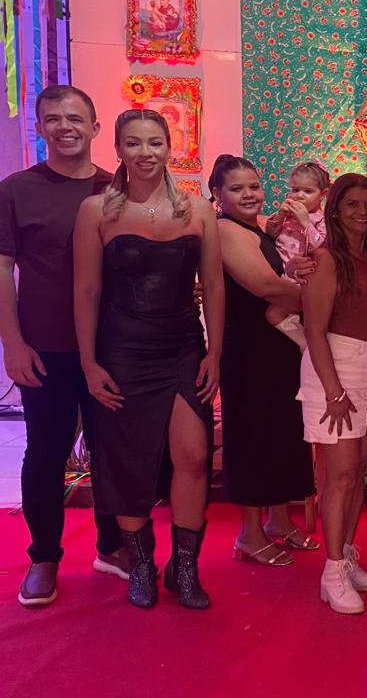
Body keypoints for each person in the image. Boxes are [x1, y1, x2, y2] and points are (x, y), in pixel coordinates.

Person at [71, 109, 224, 609]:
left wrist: (215, 353)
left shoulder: (198, 210)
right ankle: (140, 565)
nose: (145, 152)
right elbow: (87, 291)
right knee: (128, 461)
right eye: (133, 143)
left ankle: (185, 568)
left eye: (155, 142)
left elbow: (214, 286)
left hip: (183, 348)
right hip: (122, 352)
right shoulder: (96, 210)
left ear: (169, 148)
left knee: (194, 456)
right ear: (117, 149)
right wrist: (90, 363)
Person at [2, 86, 127, 606]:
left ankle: (112, 546)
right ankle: (44, 557)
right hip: (46, 346)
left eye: (75, 118)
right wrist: (12, 343)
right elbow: (2, 270)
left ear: (95, 128)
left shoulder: (117, 189)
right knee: (46, 452)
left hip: (112, 347)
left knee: (111, 450)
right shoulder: (17, 190)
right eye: (53, 118)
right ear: (40, 128)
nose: (64, 126)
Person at [300, 173, 367, 615]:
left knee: (359, 470)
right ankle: (332, 570)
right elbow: (314, 330)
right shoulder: (325, 260)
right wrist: (334, 391)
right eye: (352, 205)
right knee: (339, 475)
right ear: (336, 210)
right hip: (337, 370)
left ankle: (345, 553)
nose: (362, 212)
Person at [214, 155, 318, 567]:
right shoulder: (225, 229)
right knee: (253, 438)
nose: (249, 195)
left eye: (254, 186)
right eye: (237, 188)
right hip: (247, 353)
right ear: (218, 194)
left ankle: (280, 520)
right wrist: (323, 300)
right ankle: (249, 534)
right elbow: (265, 286)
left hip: (277, 349)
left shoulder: (261, 228)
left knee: (284, 435)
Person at [264, 161, 331, 347]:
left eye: (308, 191)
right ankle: (306, 343)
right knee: (271, 312)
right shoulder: (287, 217)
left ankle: (309, 345)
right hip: (284, 278)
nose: (299, 196)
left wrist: (305, 223)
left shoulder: (322, 220)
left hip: (304, 281)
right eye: (295, 189)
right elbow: (270, 234)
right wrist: (280, 215)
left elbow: (321, 247)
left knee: (274, 314)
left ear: (323, 194)